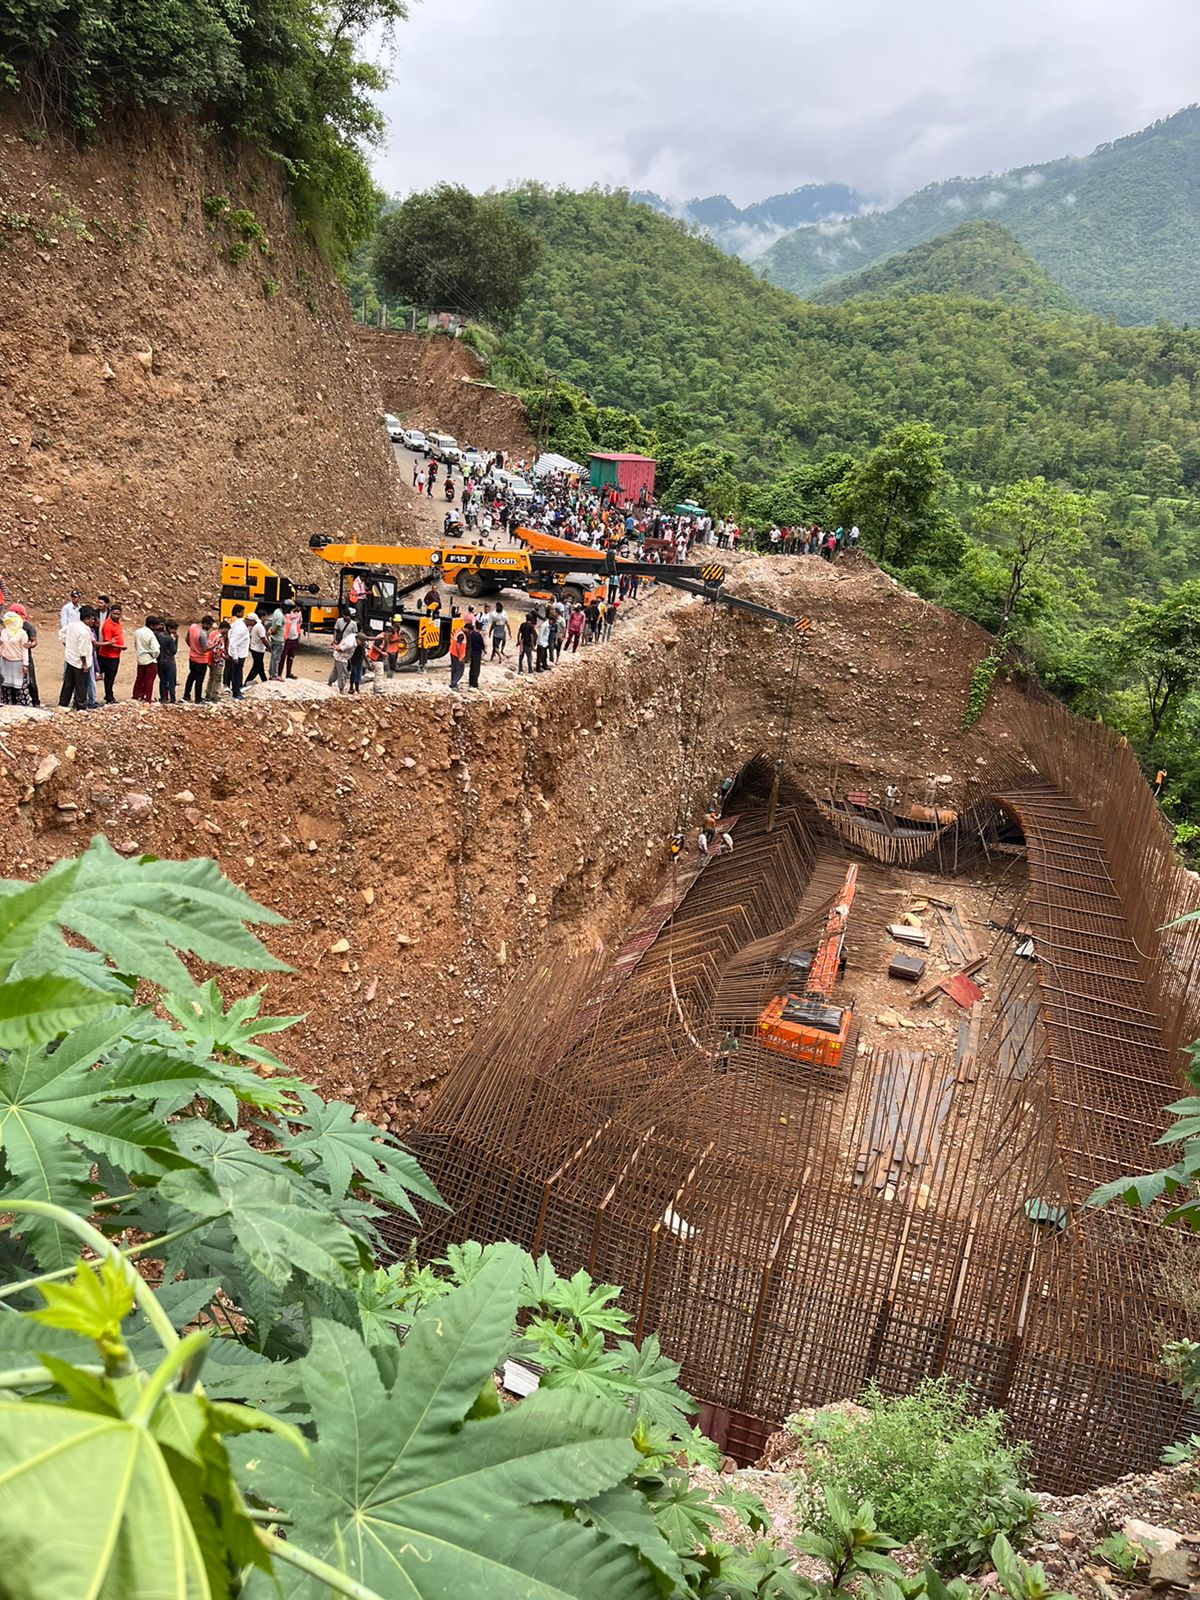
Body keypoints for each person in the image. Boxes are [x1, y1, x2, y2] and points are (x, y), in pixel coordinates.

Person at [60, 604, 96, 711]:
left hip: (70, 659)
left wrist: (68, 646)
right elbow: (83, 650)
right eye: (92, 619)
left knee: (68, 683)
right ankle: (81, 706)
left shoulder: (72, 625)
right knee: (81, 685)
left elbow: (62, 634)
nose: (93, 621)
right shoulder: (84, 632)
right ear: (86, 619)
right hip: (80, 663)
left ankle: (63, 703)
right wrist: (84, 664)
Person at [10, 605, 38, 705]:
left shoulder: (28, 627)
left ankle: (36, 701)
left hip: (26, 657)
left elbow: (34, 641)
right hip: (12, 657)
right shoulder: (10, 626)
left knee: (31, 681)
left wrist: (30, 645)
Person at [0, 611, 30, 706]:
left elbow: (25, 650)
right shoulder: (4, 632)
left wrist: (25, 664)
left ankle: (23, 707)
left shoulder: (22, 634)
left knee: (20, 688)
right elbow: (2, 646)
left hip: (18, 663)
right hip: (5, 662)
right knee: (5, 687)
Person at [98, 603, 125, 703]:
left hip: (115, 655)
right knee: (109, 678)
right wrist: (120, 647)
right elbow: (107, 642)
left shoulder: (118, 623)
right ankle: (109, 697)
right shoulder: (107, 625)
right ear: (111, 613)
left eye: (118, 614)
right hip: (107, 655)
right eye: (114, 614)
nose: (116, 616)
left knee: (112, 677)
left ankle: (109, 695)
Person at [131, 613, 160, 702]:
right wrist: (153, 655)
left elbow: (136, 645)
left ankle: (136, 696)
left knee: (139, 679)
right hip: (150, 660)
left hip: (141, 659)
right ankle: (148, 698)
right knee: (149, 681)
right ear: (151, 625)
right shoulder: (151, 635)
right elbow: (156, 650)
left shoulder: (137, 632)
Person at [184, 615, 212, 702]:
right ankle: (198, 699)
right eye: (210, 625)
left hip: (192, 658)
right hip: (201, 660)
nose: (210, 628)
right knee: (199, 680)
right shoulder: (202, 634)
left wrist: (193, 647)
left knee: (191, 677)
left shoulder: (192, 627)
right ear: (206, 624)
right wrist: (215, 645)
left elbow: (186, 639)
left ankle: (186, 695)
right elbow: (205, 649)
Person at [226, 605, 250, 700]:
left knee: (235, 673)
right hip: (238, 655)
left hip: (236, 654)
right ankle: (236, 692)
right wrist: (235, 657)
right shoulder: (241, 627)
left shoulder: (235, 622)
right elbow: (233, 643)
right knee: (237, 674)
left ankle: (236, 690)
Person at [156, 618, 178, 703]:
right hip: (169, 661)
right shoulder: (169, 638)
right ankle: (172, 699)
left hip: (161, 660)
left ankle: (163, 698)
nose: (175, 631)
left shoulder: (160, 635)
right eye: (174, 629)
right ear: (169, 628)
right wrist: (175, 640)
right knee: (171, 681)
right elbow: (174, 651)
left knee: (163, 681)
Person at [206, 621, 227, 702]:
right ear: (225, 628)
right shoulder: (219, 637)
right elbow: (218, 649)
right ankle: (215, 694)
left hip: (210, 658)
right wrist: (223, 657)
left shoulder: (212, 633)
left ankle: (209, 692)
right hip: (217, 660)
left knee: (211, 676)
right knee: (217, 677)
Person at [246, 612, 268, 683]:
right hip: (258, 649)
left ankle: (264, 680)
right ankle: (247, 681)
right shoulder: (258, 626)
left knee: (260, 666)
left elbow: (262, 638)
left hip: (257, 649)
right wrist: (269, 648)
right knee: (257, 667)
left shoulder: (257, 627)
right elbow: (263, 639)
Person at [266, 603, 285, 679]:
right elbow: (275, 629)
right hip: (279, 639)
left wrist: (270, 631)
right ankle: (274, 675)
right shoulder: (280, 616)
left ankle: (271, 673)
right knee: (276, 658)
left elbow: (272, 627)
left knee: (273, 656)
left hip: (274, 639)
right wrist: (271, 631)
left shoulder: (276, 611)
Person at [466, 620, 485, 688]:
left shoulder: (469, 635)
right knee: (476, 668)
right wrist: (484, 650)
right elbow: (482, 644)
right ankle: (474, 683)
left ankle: (471, 682)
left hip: (471, 652)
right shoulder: (478, 635)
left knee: (472, 668)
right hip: (477, 653)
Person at [448, 622, 467, 690]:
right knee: (460, 670)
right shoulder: (461, 635)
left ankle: (453, 683)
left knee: (454, 669)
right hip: (457, 655)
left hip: (452, 652)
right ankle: (453, 683)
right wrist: (460, 656)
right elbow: (458, 645)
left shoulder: (458, 630)